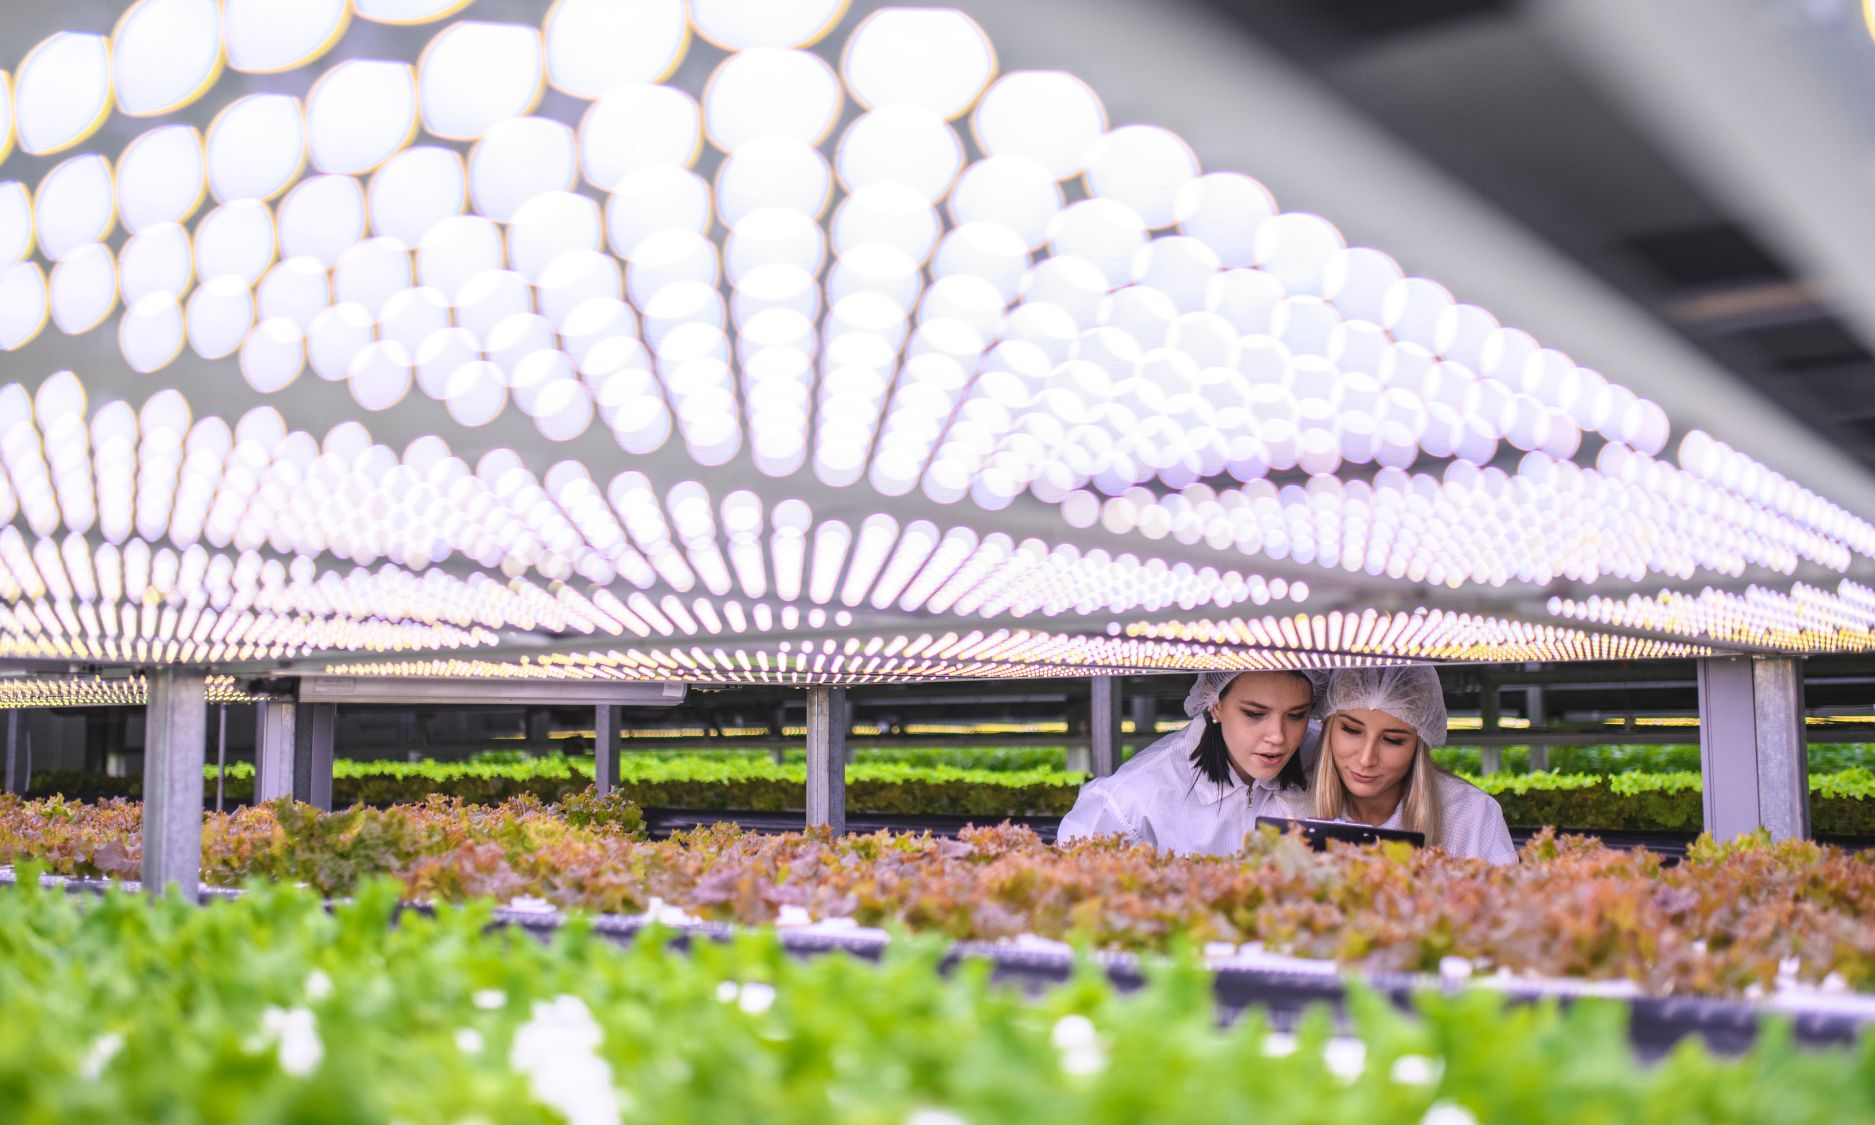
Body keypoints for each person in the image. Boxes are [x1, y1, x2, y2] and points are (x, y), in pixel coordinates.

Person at [1056, 669, 1321, 855]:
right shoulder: (1132, 798)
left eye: (1296, 715)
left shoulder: (1329, 757)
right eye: (1254, 713)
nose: (1277, 736)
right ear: (1214, 703)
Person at [1284, 665, 1517, 865]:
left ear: (1419, 743)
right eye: (1352, 731)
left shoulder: (1470, 815)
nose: (1366, 759)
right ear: (1327, 727)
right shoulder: (1291, 807)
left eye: (1392, 740)